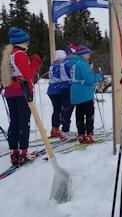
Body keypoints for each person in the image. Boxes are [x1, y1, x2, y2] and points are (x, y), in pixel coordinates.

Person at [0, 27, 41, 165]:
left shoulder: (8, 54)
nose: (28, 44)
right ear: (22, 42)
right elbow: (28, 74)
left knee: (15, 122)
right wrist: (35, 62)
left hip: (10, 92)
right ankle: (23, 152)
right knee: (24, 122)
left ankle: (14, 152)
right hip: (22, 92)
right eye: (27, 42)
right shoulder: (19, 54)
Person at [69, 46, 103, 144]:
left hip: (75, 93)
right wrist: (99, 75)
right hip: (84, 93)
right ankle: (89, 134)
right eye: (87, 54)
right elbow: (89, 80)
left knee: (79, 114)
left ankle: (81, 134)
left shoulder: (73, 63)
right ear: (82, 54)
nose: (89, 56)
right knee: (89, 114)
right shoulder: (82, 64)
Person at [59, 44, 78, 138]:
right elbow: (73, 75)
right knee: (68, 109)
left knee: (65, 109)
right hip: (69, 88)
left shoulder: (63, 61)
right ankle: (65, 130)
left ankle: (64, 129)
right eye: (74, 53)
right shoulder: (70, 62)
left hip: (63, 87)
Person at [47, 50, 67, 138]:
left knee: (57, 109)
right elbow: (58, 76)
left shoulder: (53, 65)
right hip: (56, 90)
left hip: (53, 90)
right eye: (63, 59)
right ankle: (55, 129)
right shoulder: (57, 66)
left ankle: (55, 128)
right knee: (58, 109)